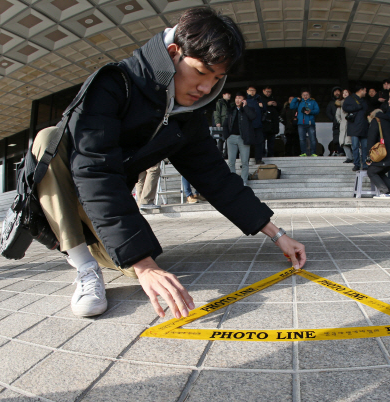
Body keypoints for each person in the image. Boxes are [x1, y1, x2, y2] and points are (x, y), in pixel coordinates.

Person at [30, 7, 306, 318]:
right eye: (202, 72)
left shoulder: (187, 114)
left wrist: (277, 234)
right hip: (70, 188)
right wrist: (144, 263)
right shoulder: (111, 85)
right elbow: (95, 170)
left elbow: (215, 176)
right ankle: (83, 266)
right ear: (173, 53)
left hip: (106, 208)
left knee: (137, 266)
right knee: (47, 139)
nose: (206, 88)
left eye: (217, 78)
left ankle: (93, 247)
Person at [366, 109, 390, 199]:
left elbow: (371, 139)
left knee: (371, 171)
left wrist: (368, 155)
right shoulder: (389, 122)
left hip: (384, 154)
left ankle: (385, 192)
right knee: (379, 171)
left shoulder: (376, 121)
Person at [226, 92, 255, 186]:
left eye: (240, 98)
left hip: (243, 138)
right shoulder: (231, 110)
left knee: (245, 161)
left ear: (244, 100)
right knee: (231, 161)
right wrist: (226, 135)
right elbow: (225, 123)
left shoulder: (247, 109)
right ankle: (234, 182)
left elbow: (253, 116)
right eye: (236, 98)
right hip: (231, 137)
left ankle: (243, 182)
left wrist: (245, 106)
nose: (237, 100)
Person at [343, 83, 369, 171]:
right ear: (361, 90)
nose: (366, 92)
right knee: (355, 146)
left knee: (365, 147)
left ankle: (365, 164)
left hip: (364, 126)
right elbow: (345, 108)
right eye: (365, 90)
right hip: (354, 126)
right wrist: (357, 107)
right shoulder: (349, 99)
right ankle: (357, 164)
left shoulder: (365, 100)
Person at [290, 89, 320, 157]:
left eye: (307, 95)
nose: (305, 96)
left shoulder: (313, 102)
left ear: (309, 96)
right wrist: (295, 99)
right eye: (304, 95)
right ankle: (303, 152)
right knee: (301, 139)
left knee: (312, 139)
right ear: (301, 96)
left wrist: (310, 111)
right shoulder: (299, 102)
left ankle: (313, 153)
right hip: (301, 123)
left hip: (310, 123)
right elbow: (291, 106)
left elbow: (317, 110)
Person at [245, 86, 266, 164]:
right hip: (248, 126)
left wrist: (262, 106)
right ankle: (245, 161)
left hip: (258, 125)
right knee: (247, 144)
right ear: (247, 91)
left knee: (259, 143)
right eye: (250, 90)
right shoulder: (245, 100)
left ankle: (258, 159)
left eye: (254, 90)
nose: (252, 92)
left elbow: (265, 109)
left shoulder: (259, 99)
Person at [260, 86, 280, 157]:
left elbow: (280, 110)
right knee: (261, 142)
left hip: (272, 126)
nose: (268, 93)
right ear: (263, 91)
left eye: (270, 92)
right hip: (263, 125)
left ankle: (271, 155)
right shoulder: (260, 99)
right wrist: (266, 104)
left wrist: (276, 105)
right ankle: (262, 155)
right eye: (267, 91)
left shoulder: (274, 98)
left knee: (271, 143)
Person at [212, 90, 231, 158]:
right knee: (221, 139)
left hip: (228, 123)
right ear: (223, 95)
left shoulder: (229, 103)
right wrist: (218, 122)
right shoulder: (219, 103)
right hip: (222, 123)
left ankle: (226, 154)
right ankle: (220, 154)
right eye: (227, 94)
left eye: (229, 94)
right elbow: (216, 113)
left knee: (227, 138)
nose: (229, 95)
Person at [336, 89, 353, 163]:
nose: (345, 94)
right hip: (343, 125)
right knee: (343, 142)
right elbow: (337, 115)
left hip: (351, 124)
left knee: (352, 142)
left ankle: (356, 157)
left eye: (346, 92)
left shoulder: (353, 102)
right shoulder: (339, 104)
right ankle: (349, 157)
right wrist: (340, 121)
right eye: (343, 93)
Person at [326, 86, 342, 155]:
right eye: (335, 91)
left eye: (338, 91)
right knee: (337, 139)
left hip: (345, 123)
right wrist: (334, 119)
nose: (337, 93)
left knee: (346, 139)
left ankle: (347, 153)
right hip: (336, 125)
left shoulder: (345, 101)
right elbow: (328, 112)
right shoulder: (331, 103)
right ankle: (340, 152)